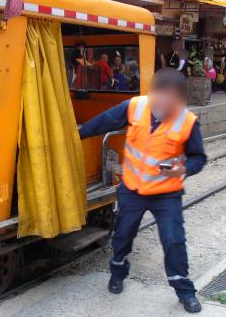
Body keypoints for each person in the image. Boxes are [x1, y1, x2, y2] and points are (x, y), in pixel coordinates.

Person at [79, 68, 207, 313]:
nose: (164, 102)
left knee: (173, 240)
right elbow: (102, 122)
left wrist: (183, 170)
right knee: (122, 234)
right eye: (160, 95)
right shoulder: (134, 107)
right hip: (133, 189)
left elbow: (198, 158)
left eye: (172, 98)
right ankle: (117, 273)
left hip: (166, 193)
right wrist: (76, 135)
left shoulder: (187, 121)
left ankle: (184, 291)